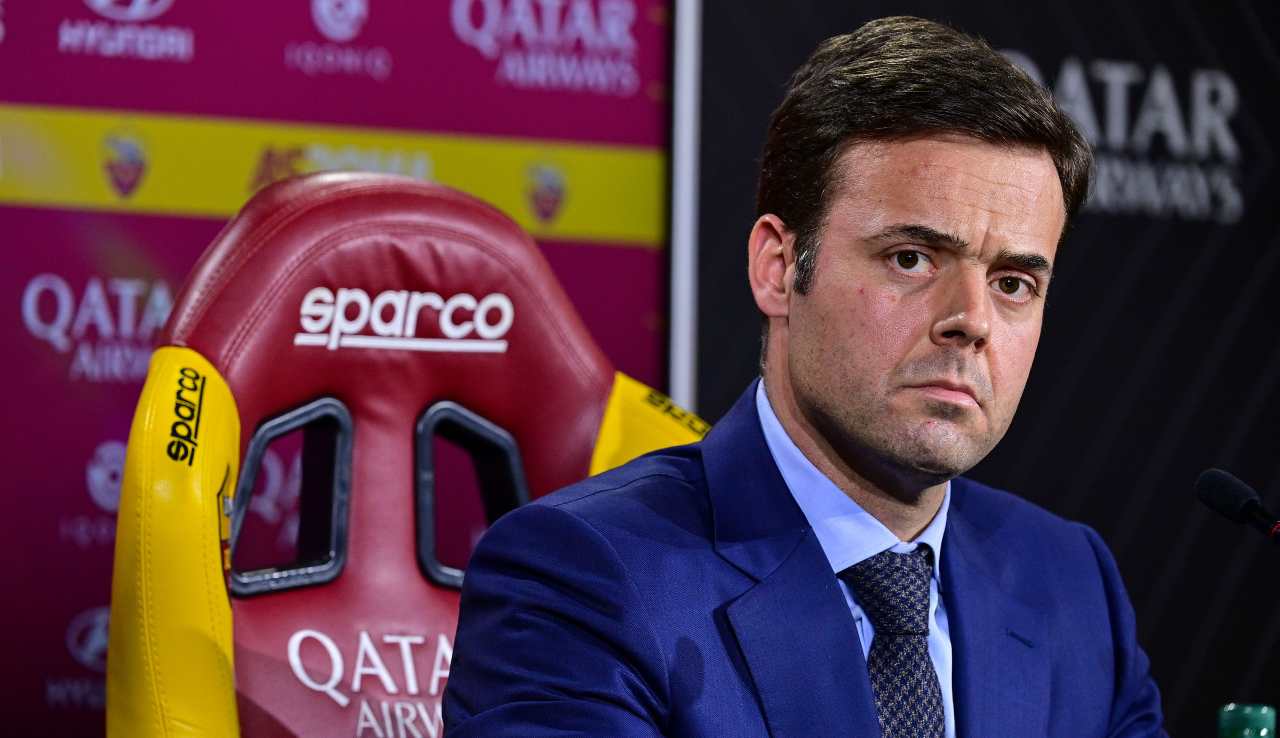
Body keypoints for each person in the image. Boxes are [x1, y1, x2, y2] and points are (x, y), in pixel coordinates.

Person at [443, 15, 1165, 738]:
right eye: (911, 259)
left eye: (1013, 283)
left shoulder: (1072, 583)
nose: (971, 320)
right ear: (779, 268)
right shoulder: (583, 577)